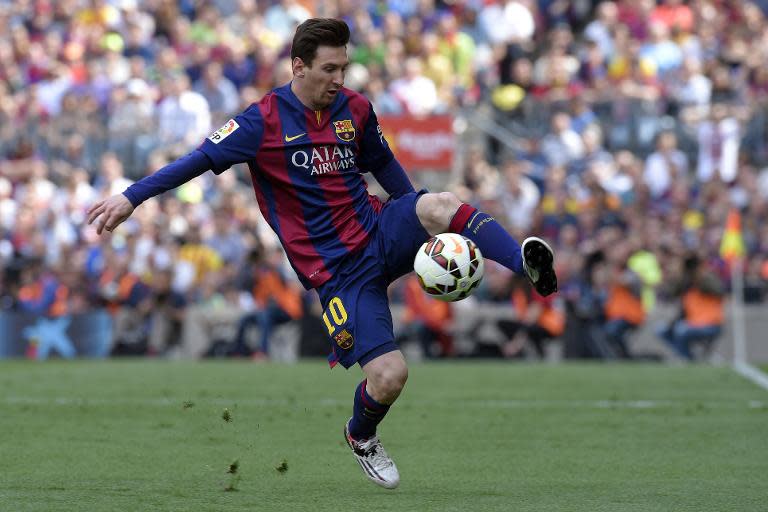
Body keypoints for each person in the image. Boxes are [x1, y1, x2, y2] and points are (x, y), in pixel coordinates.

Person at [87, 18, 557, 490]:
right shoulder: (261, 121)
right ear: (298, 66)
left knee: (441, 203)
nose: (339, 79)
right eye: (329, 69)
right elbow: (194, 160)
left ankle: (525, 264)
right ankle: (361, 434)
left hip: (376, 230)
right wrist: (131, 197)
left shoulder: (355, 109)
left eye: (343, 68)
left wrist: (420, 222)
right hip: (338, 274)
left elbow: (385, 167)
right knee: (391, 376)